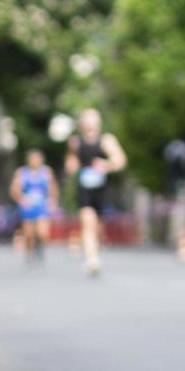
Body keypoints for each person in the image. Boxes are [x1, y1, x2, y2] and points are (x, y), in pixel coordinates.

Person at [63, 110, 127, 276]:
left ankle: (95, 249)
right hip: (84, 188)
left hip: (101, 188)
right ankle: (92, 259)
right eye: (86, 119)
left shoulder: (106, 140)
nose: (89, 122)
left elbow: (120, 160)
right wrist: (71, 152)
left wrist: (106, 165)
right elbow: (71, 168)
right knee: (87, 221)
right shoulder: (77, 142)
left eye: (92, 118)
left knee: (97, 225)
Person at [10, 150, 57, 264]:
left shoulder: (46, 172)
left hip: (42, 205)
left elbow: (52, 187)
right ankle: (29, 252)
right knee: (29, 233)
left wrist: (52, 201)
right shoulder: (22, 172)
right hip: (28, 206)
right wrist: (21, 200)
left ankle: (39, 247)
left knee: (42, 232)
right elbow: (14, 189)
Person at [163, 139, 185, 260]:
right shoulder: (179, 156)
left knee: (182, 218)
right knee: (179, 217)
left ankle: (183, 243)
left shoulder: (175, 155)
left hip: (180, 188)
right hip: (179, 188)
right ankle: (180, 242)